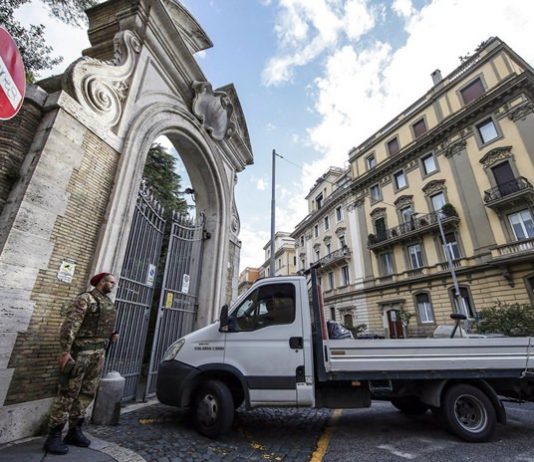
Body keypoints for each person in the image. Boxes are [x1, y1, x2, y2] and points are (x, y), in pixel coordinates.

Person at [43, 272, 119, 455]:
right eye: (111, 282)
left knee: (87, 393)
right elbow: (70, 326)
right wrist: (65, 351)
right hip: (80, 354)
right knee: (68, 392)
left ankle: (74, 430)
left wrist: (110, 336)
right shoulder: (85, 299)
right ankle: (54, 435)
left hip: (98, 354)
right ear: (101, 282)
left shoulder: (107, 302)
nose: (113, 285)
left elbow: (100, 325)